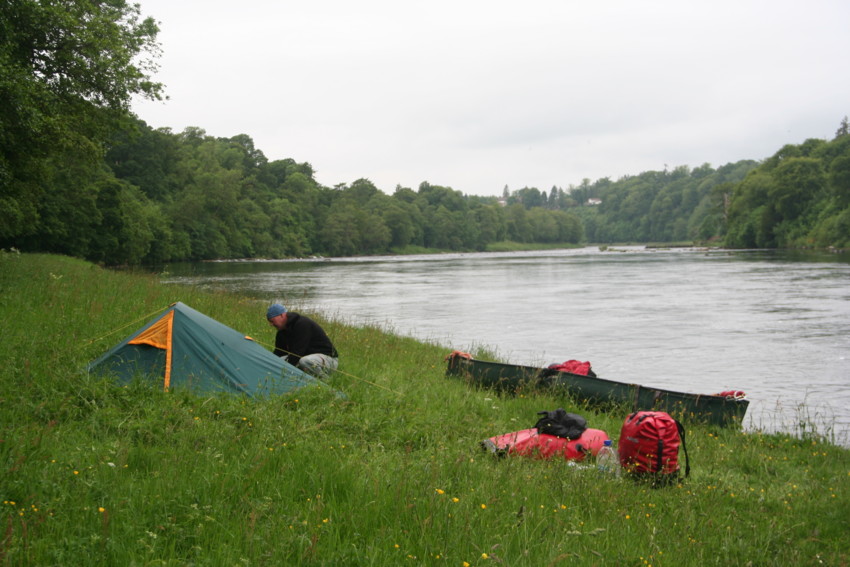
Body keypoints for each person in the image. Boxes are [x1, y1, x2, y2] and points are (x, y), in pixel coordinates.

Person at [267, 303, 338, 379]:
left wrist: (285, 371)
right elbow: (279, 353)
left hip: (328, 360)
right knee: (278, 361)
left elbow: (297, 353)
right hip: (305, 358)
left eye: (272, 320)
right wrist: (270, 363)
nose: (271, 324)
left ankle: (325, 382)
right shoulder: (281, 332)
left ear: (282, 315)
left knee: (305, 361)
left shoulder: (302, 324)